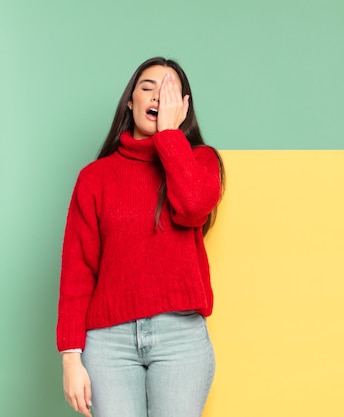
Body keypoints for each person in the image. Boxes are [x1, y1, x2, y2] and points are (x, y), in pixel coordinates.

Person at [56, 57, 225, 417]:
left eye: (169, 90)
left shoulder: (202, 162)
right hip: (107, 343)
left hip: (180, 338)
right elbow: (77, 270)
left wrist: (168, 136)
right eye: (148, 87)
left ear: (183, 107)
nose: (157, 97)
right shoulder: (95, 178)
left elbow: (193, 206)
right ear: (130, 101)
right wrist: (71, 359)